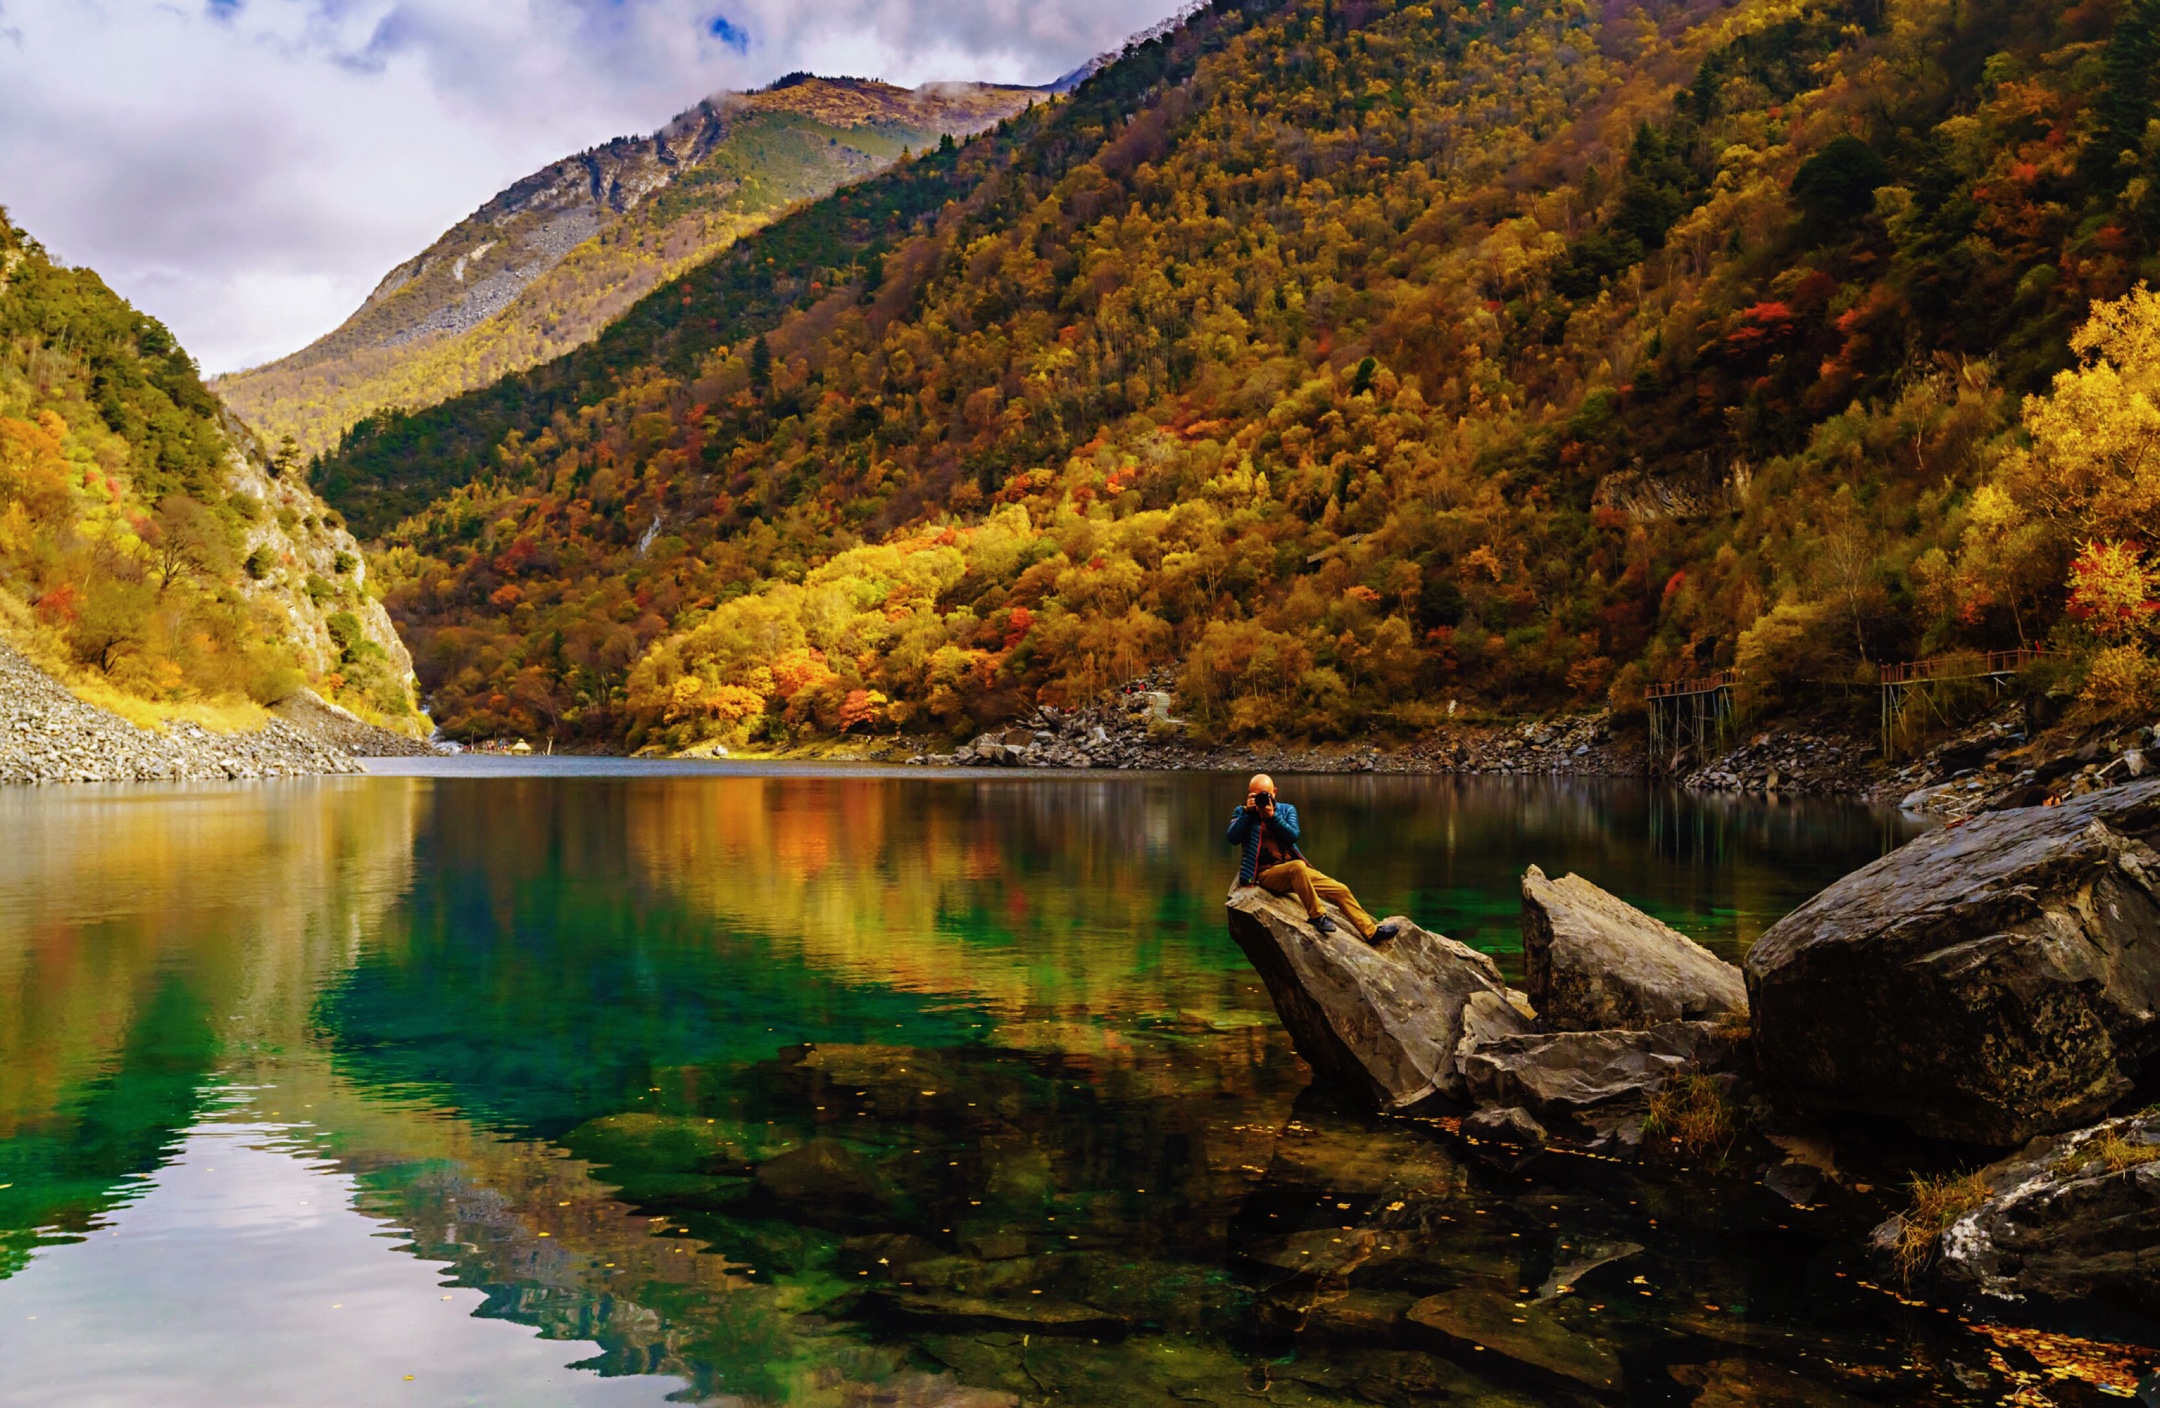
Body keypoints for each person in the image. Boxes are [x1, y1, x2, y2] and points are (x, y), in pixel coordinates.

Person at [1227, 774, 1400, 943]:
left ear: (1275, 792)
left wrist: (1272, 817)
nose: (1261, 799)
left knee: (1340, 890)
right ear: (1249, 794)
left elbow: (1293, 836)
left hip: (1294, 872)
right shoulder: (1242, 812)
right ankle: (1317, 916)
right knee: (1297, 867)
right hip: (1265, 874)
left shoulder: (1287, 810)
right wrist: (1248, 815)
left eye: (1265, 795)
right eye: (1256, 795)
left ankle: (1371, 932)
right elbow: (1232, 838)